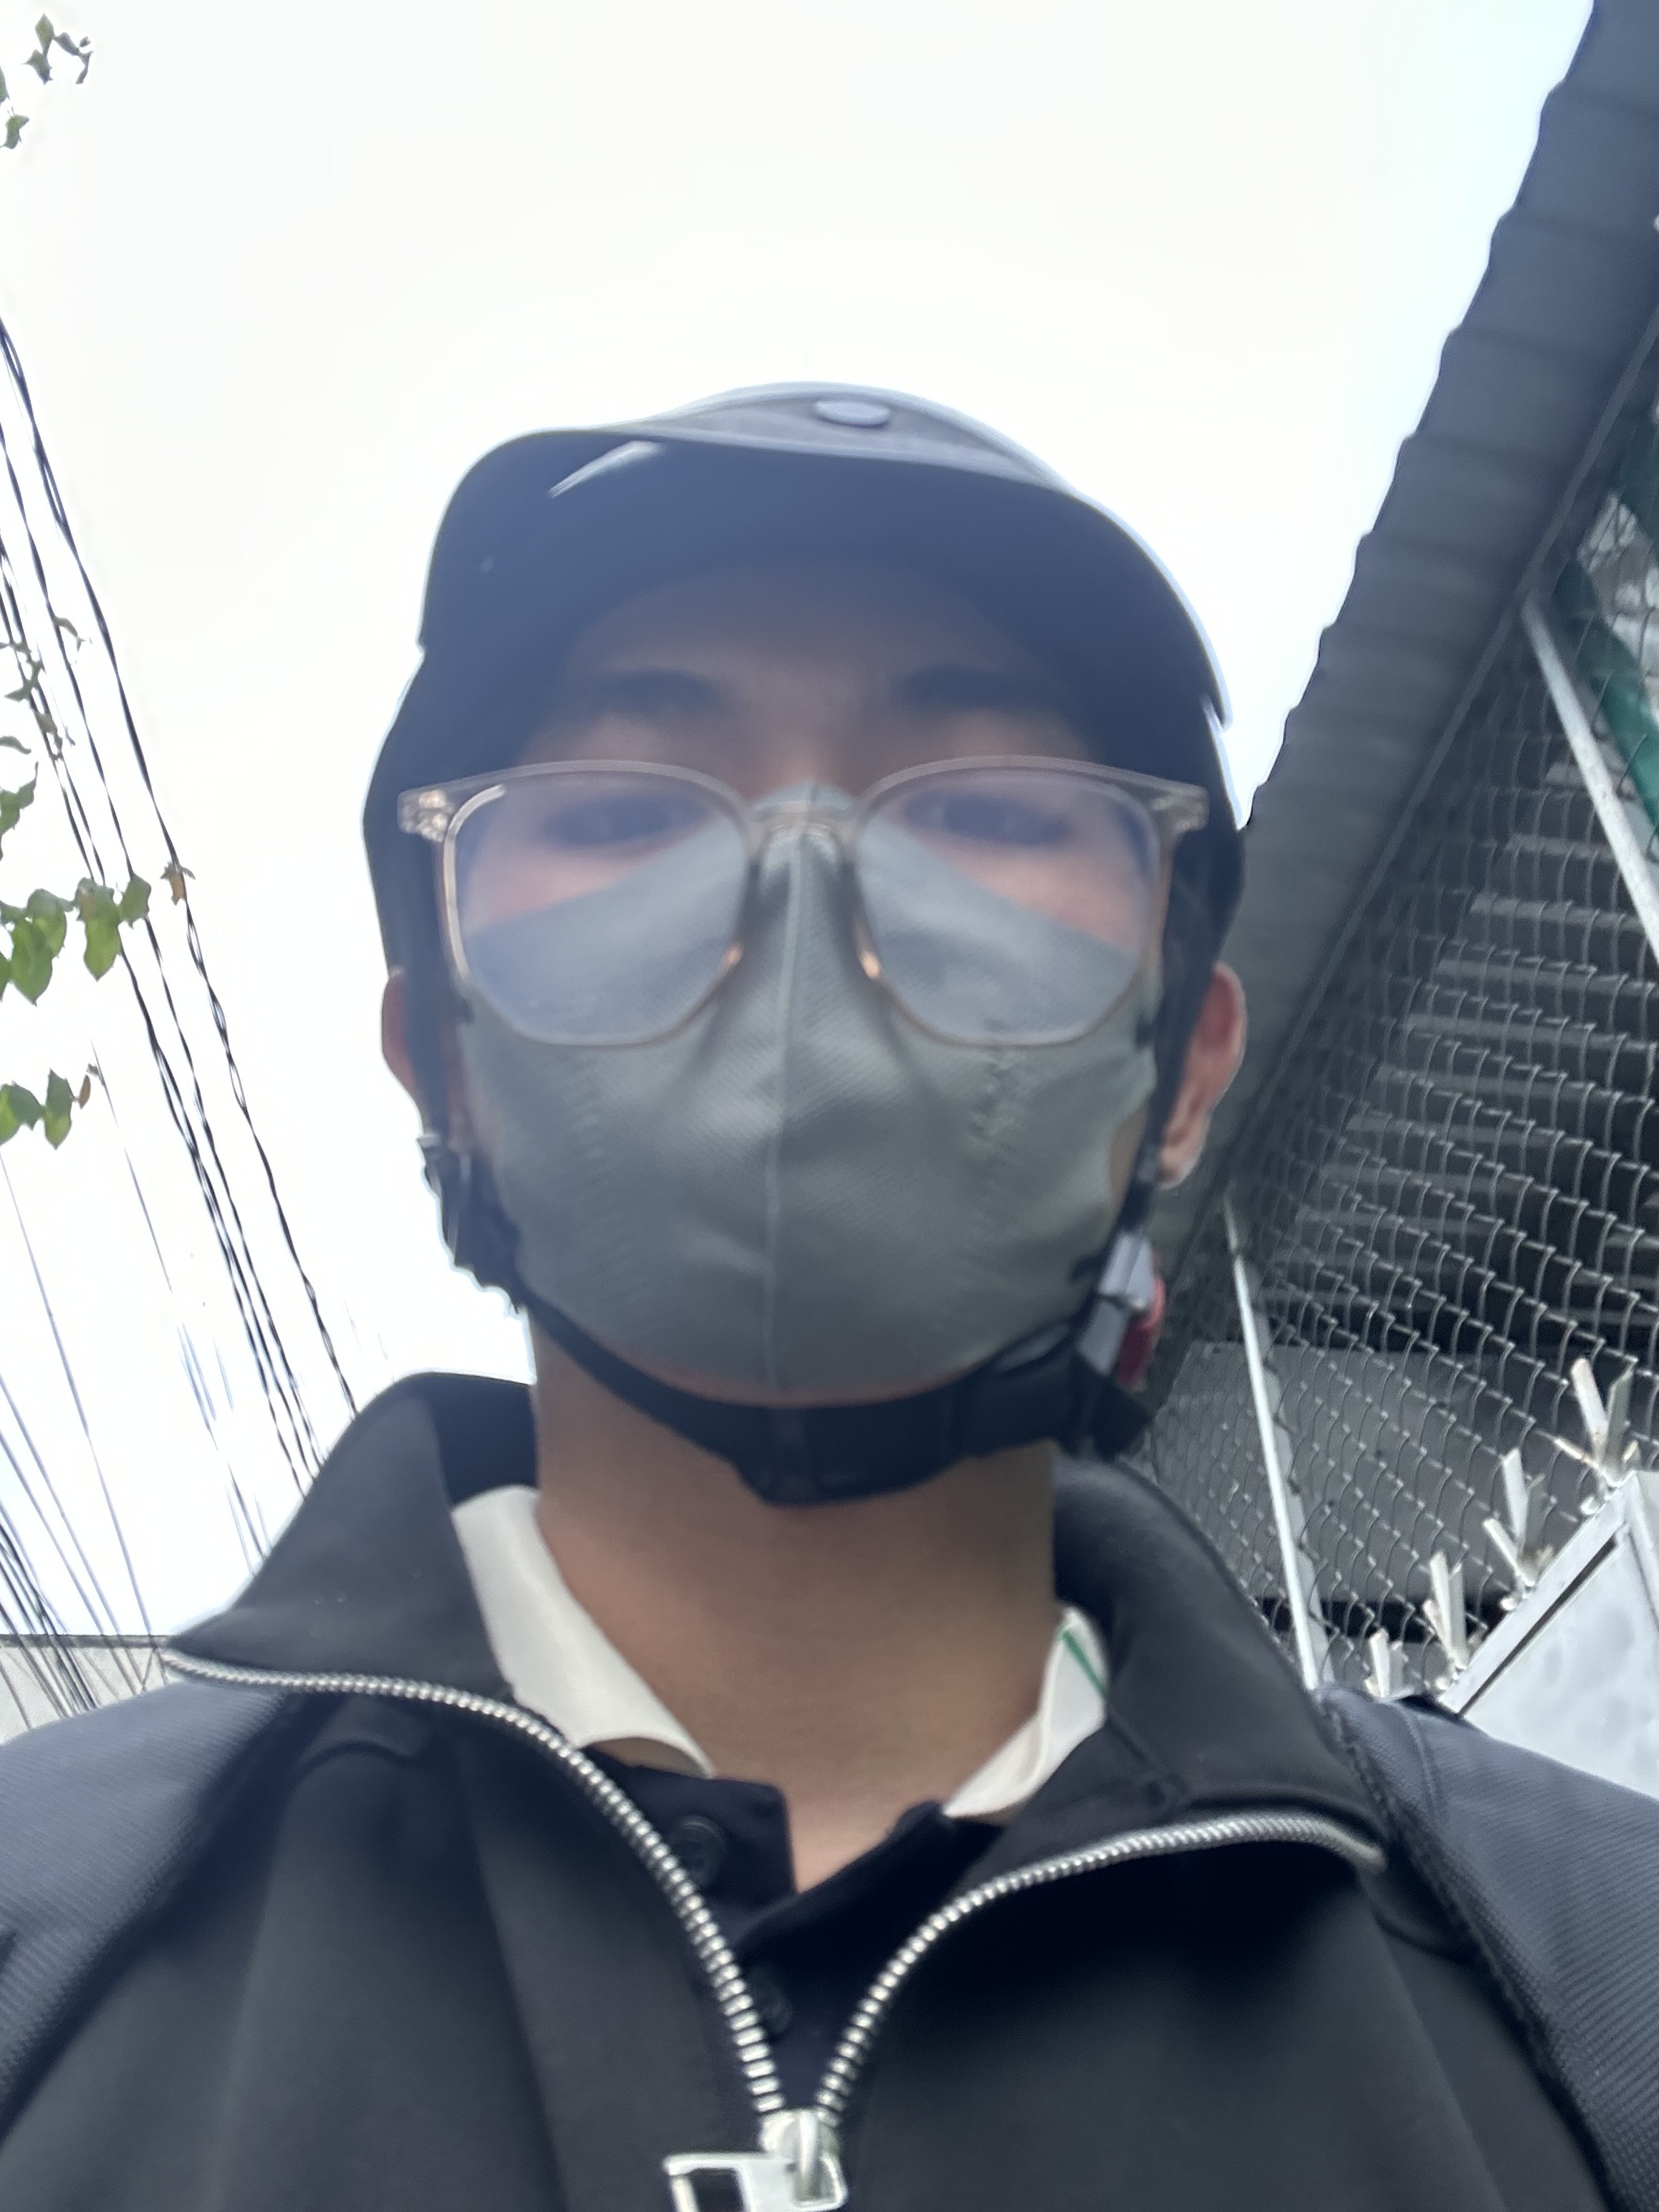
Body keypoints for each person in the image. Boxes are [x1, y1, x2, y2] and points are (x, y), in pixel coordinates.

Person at [0, 386, 1653, 2212]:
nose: (800, 891)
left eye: (992, 806)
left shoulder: (1598, 1973)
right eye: (622, 808)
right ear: (443, 1060)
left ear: (1185, 1059)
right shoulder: (42, 1931)